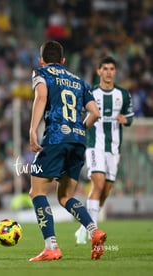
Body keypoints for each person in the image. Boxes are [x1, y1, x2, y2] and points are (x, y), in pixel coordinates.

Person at [28, 40, 106, 261]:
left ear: (41, 59)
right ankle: (94, 231)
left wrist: (33, 129)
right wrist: (79, 129)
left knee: (37, 192)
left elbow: (41, 96)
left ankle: (51, 247)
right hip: (78, 140)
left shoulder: (41, 72)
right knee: (65, 196)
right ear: (63, 61)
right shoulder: (78, 80)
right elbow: (95, 113)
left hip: (55, 137)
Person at [75, 56, 134, 244]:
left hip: (114, 148)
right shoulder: (91, 92)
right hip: (94, 146)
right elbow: (80, 115)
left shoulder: (123, 94)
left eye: (111, 68)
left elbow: (130, 116)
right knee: (98, 185)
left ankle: (84, 227)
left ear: (115, 72)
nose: (108, 72)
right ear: (98, 71)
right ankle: (94, 233)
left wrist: (126, 120)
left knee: (105, 192)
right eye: (105, 68)